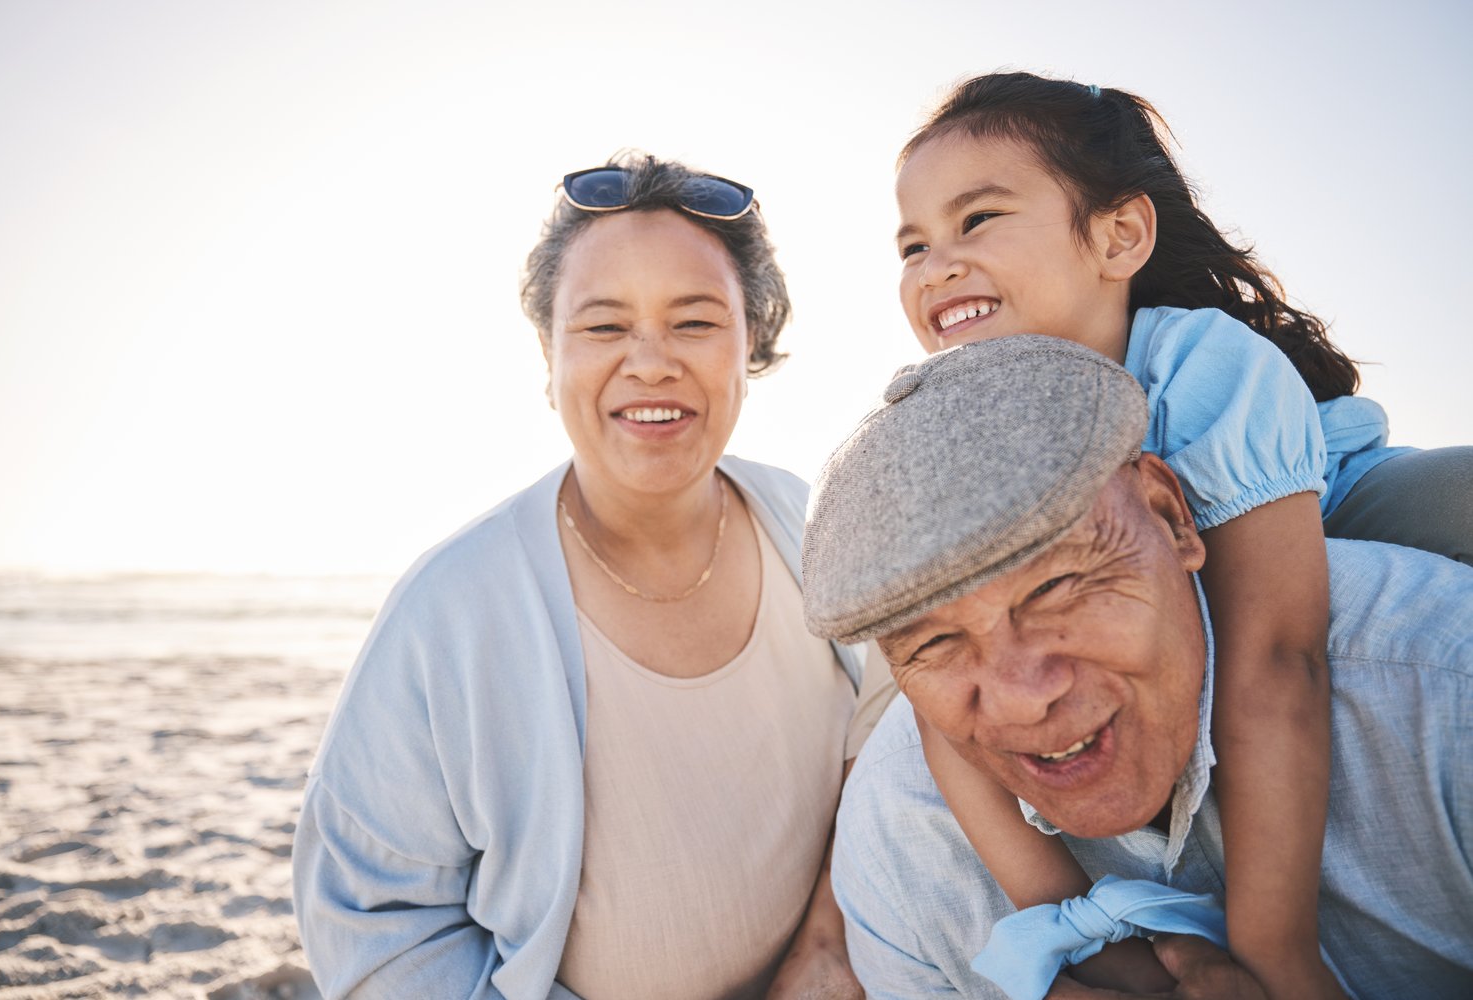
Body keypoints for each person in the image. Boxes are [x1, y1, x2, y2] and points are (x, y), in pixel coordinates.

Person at [889, 71, 1473, 998]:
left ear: (1117, 236)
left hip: (1330, 490)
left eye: (977, 221)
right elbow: (937, 716)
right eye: (913, 243)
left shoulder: (1204, 367)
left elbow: (1277, 658)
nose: (934, 265)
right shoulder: (964, 422)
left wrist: (1277, 951)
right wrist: (1066, 923)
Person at [292, 153, 891, 999]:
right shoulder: (456, 607)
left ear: (749, 344)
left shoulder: (813, 525)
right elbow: (370, 918)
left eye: (694, 322)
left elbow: (891, 742)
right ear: (550, 356)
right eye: (605, 327)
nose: (650, 364)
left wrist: (827, 945)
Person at [801, 336, 1473, 999]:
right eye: (933, 645)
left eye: (1054, 586)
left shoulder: (1443, 686)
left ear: (1171, 516)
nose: (1020, 699)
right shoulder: (897, 847)